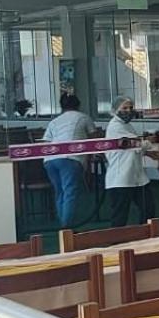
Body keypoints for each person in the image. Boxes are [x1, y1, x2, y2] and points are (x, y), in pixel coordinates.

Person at [41, 94, 94, 226]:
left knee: (59, 192)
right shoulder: (83, 117)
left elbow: (46, 142)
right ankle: (66, 227)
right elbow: (94, 138)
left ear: (61, 106)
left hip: (49, 160)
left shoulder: (54, 121)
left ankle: (63, 225)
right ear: (78, 105)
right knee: (69, 192)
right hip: (70, 157)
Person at [104, 96, 156, 227]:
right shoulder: (115, 126)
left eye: (131, 108)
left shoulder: (128, 126)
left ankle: (146, 235)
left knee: (148, 209)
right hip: (121, 179)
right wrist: (149, 141)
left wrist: (149, 153)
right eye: (124, 108)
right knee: (120, 217)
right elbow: (135, 143)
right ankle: (118, 239)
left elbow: (134, 148)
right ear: (115, 110)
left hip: (137, 178)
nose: (128, 111)